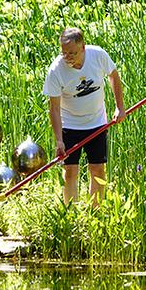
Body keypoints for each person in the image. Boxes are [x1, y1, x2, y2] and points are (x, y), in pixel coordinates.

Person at [44, 26, 125, 207]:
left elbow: (114, 76)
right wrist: (59, 140)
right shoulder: (56, 70)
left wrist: (120, 107)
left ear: (83, 47)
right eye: (64, 53)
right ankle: (71, 216)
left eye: (72, 53)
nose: (68, 57)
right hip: (70, 125)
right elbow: (54, 108)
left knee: (98, 169)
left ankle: (95, 214)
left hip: (97, 122)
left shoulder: (98, 55)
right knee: (70, 171)